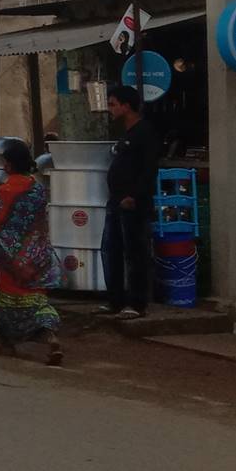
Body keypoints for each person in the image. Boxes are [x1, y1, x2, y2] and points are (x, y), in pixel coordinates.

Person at [0, 137, 64, 365]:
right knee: (39, 300)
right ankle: (50, 335)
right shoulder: (37, 188)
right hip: (38, 254)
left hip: (12, 259)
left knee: (9, 300)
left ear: (8, 165)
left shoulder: (6, 190)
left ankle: (5, 343)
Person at [103, 85, 160, 319]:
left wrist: (133, 196)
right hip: (115, 201)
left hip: (132, 204)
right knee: (111, 250)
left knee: (135, 252)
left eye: (113, 104)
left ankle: (137, 303)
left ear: (127, 106)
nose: (110, 109)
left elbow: (149, 169)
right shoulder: (126, 134)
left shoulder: (144, 132)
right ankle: (115, 300)